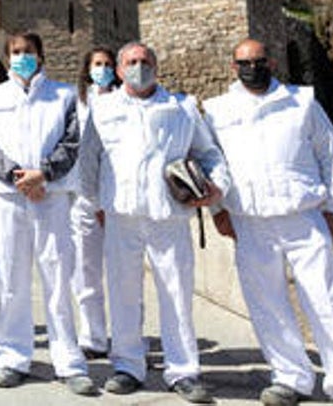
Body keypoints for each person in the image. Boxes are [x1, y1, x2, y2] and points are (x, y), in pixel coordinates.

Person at [204, 39, 333, 406]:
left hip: (304, 217)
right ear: (233, 67)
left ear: (271, 63)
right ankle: (289, 377)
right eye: (245, 61)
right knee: (266, 303)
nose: (253, 67)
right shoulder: (217, 111)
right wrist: (218, 212)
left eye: (260, 60)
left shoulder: (302, 103)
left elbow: (331, 155)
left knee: (326, 299)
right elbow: (210, 164)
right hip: (249, 221)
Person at [79, 41, 230, 404]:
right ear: (118, 70)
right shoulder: (102, 108)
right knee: (123, 292)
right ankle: (128, 365)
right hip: (122, 214)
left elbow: (208, 154)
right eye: (131, 61)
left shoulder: (180, 107)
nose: (138, 66)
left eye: (145, 60)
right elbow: (88, 162)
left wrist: (216, 189)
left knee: (177, 293)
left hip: (169, 215)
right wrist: (97, 203)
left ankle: (183, 370)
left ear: (156, 66)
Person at [0, 33, 95, 395]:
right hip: (9, 197)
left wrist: (43, 173)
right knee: (11, 278)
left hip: (51, 195)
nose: (22, 58)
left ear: (41, 56)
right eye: (15, 53)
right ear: (7, 57)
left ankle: (68, 360)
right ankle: (12, 357)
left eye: (28, 52)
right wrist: (17, 176)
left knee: (58, 277)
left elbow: (72, 142)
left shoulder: (63, 96)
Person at [71, 47, 120, 360]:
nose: (102, 69)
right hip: (82, 197)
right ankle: (93, 336)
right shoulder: (76, 104)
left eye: (107, 64)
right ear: (87, 69)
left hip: (116, 196)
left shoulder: (124, 101)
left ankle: (128, 335)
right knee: (85, 270)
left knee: (122, 271)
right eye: (97, 64)